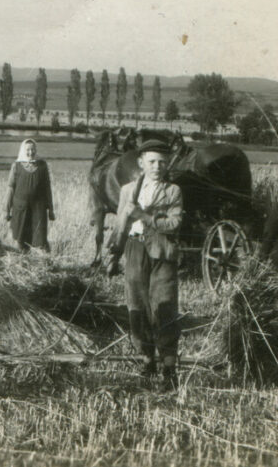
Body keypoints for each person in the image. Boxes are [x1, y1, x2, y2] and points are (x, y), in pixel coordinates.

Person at [116, 138, 184, 389]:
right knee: (137, 306)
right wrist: (114, 253)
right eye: (152, 161)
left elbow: (174, 224)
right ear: (141, 163)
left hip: (162, 252)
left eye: (163, 162)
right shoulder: (127, 191)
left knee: (164, 306)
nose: (158, 166)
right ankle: (146, 358)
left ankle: (169, 366)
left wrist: (143, 215)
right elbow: (121, 226)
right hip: (135, 250)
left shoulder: (174, 191)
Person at [5, 139, 55, 252]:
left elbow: (47, 188)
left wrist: (51, 209)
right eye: (28, 149)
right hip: (20, 209)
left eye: (33, 149)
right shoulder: (16, 166)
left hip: (38, 210)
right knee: (20, 240)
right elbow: (10, 189)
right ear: (23, 150)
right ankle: (22, 262)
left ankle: (45, 263)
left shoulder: (42, 165)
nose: (30, 152)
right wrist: (6, 211)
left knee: (41, 241)